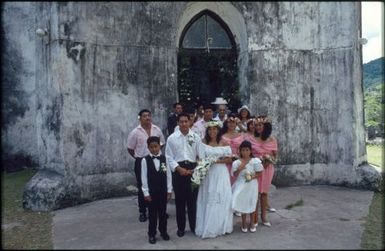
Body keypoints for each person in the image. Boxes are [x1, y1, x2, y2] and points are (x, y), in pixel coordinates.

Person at [165, 112, 204, 237]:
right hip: (179, 170)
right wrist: (178, 168)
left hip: (193, 170)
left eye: (186, 121)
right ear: (178, 123)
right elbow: (169, 157)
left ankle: (193, 226)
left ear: (190, 122)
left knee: (192, 201)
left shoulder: (196, 137)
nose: (184, 124)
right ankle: (181, 228)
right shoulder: (172, 138)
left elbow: (201, 156)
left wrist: (196, 168)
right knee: (180, 202)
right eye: (181, 121)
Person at [195, 120, 233, 238]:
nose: (212, 131)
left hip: (221, 173)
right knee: (209, 197)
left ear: (218, 130)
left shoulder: (224, 142)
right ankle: (208, 225)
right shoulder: (202, 142)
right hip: (209, 174)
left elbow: (229, 159)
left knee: (221, 197)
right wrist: (203, 164)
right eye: (210, 129)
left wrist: (215, 161)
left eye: (214, 129)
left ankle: (221, 225)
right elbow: (199, 159)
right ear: (207, 131)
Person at [127, 109, 166, 222]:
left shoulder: (156, 129)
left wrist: (155, 153)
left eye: (149, 115)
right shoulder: (135, 132)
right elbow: (130, 148)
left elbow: (161, 143)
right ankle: (143, 211)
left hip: (155, 160)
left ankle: (158, 210)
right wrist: (138, 157)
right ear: (140, 118)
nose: (147, 118)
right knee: (142, 186)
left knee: (157, 186)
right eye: (144, 116)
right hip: (141, 161)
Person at [141, 136, 172, 244]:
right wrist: (146, 192)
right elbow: (143, 178)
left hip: (163, 191)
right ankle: (152, 234)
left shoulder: (165, 159)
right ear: (148, 148)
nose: (154, 149)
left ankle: (163, 231)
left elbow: (168, 175)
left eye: (156, 146)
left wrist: (169, 190)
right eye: (151, 147)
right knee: (153, 215)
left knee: (163, 214)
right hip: (152, 192)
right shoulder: (145, 160)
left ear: (160, 146)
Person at [231, 140, 263, 233]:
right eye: (243, 150)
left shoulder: (255, 161)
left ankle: (252, 222)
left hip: (252, 184)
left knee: (252, 202)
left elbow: (259, 173)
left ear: (250, 151)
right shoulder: (237, 162)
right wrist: (241, 168)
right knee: (243, 203)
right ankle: (244, 223)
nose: (245, 152)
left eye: (247, 150)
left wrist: (252, 177)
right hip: (241, 184)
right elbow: (235, 174)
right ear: (240, 151)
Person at [251, 116, 278, 227]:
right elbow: (249, 154)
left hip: (268, 169)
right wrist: (257, 162)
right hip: (255, 168)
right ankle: (255, 217)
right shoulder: (252, 139)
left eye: (260, 125)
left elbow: (276, 156)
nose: (257, 127)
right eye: (256, 125)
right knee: (255, 193)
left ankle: (264, 216)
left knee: (264, 193)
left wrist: (269, 160)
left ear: (265, 126)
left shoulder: (273, 140)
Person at [220, 113, 245, 185]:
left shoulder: (241, 136)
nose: (231, 124)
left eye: (233, 122)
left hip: (238, 163)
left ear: (236, 123)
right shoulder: (221, 136)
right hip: (225, 163)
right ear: (226, 123)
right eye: (229, 122)